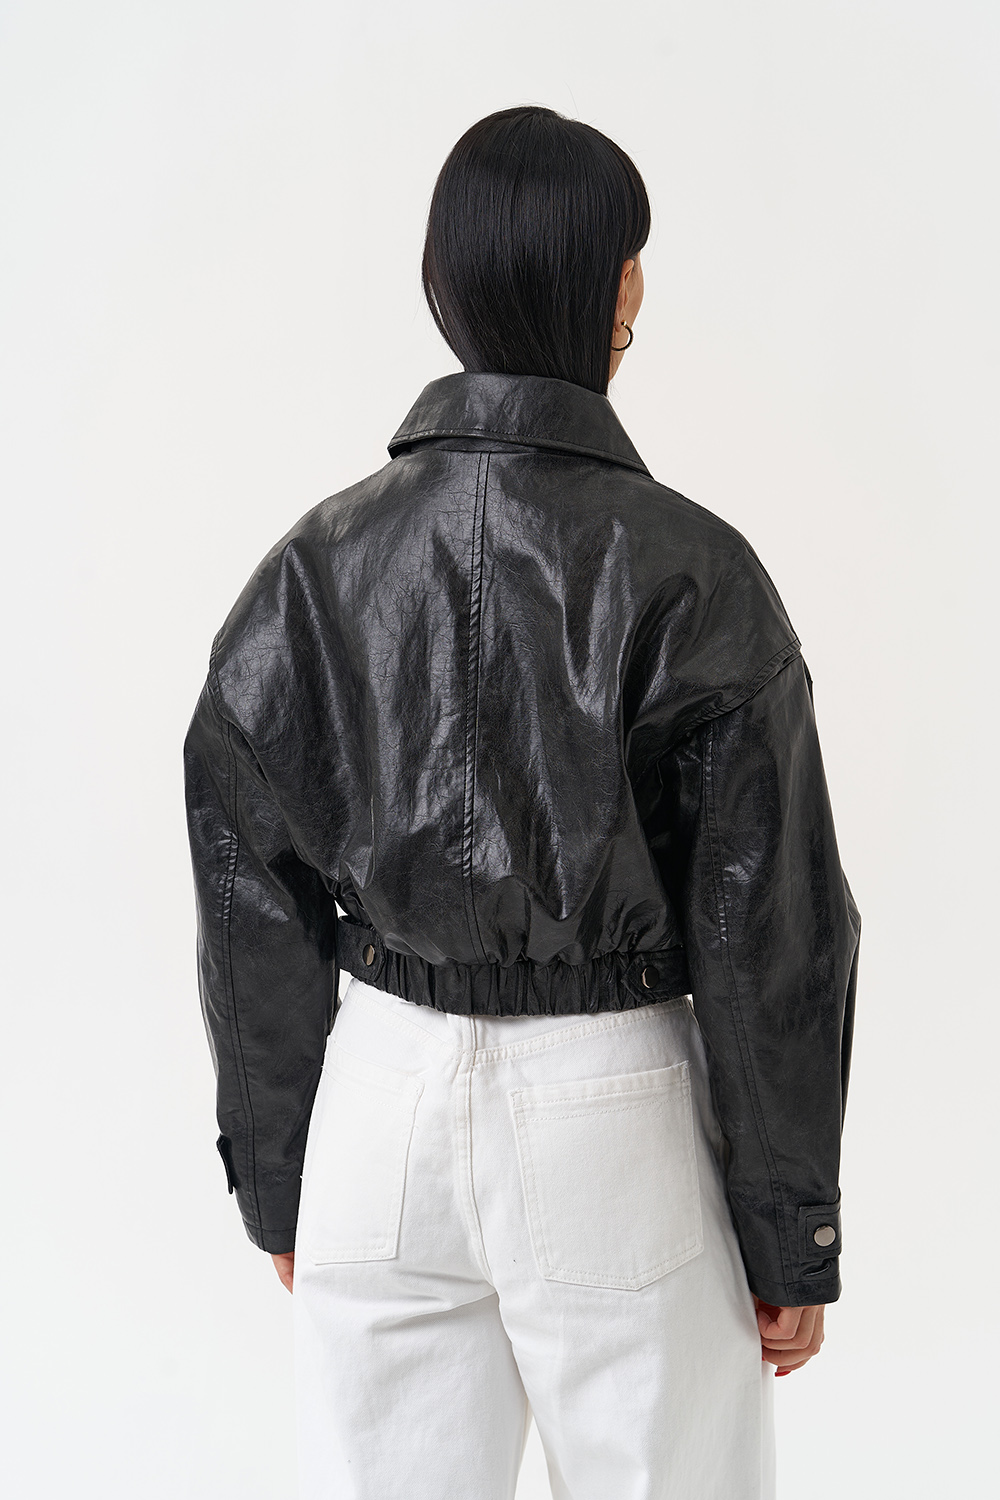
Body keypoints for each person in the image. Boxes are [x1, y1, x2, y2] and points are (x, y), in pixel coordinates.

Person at [183, 105, 861, 1500]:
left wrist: (282, 1172)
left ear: (446, 282)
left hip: (378, 1109)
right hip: (611, 1116)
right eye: (634, 265)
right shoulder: (695, 573)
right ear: (614, 291)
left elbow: (246, 883)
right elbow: (766, 926)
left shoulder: (313, 567)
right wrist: (789, 1227)